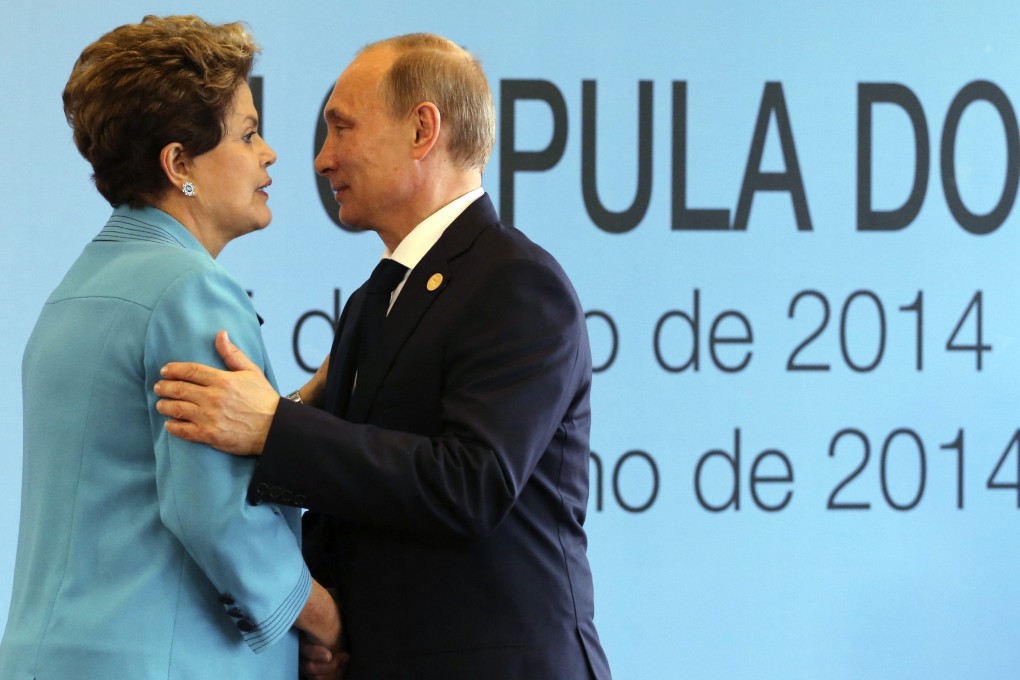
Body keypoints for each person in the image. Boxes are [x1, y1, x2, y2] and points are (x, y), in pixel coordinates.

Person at [155, 33, 612, 680]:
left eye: (342, 128)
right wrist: (319, 622)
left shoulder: (515, 284)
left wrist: (273, 428)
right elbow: (352, 500)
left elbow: (469, 486)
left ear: (423, 129)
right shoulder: (375, 300)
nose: (320, 159)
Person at [0, 15, 343, 680]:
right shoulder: (192, 294)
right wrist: (325, 616)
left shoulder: (73, 293)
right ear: (179, 163)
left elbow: (137, 462)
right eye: (247, 134)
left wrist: (297, 406)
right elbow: (214, 510)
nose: (270, 153)